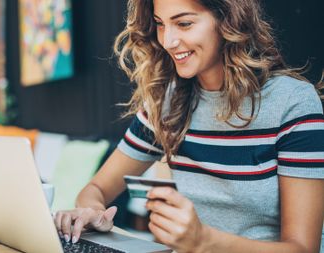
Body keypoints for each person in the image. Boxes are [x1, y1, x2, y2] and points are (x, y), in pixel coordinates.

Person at [54, 0, 324, 252]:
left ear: (228, 20)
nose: (168, 41)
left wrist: (203, 240)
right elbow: (95, 190)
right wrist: (91, 210)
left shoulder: (292, 102)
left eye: (184, 24)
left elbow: (302, 248)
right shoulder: (166, 104)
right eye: (161, 24)